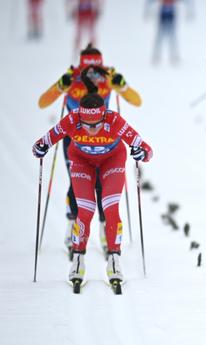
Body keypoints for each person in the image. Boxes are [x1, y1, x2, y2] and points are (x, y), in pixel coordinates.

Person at [32, 90, 153, 285]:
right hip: (81, 161)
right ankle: (78, 258)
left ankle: (114, 259)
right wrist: (41, 148)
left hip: (112, 160)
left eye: (96, 124)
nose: (92, 129)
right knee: (85, 210)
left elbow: (147, 150)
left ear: (103, 116)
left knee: (110, 207)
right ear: (80, 117)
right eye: (87, 125)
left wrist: (141, 153)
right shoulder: (71, 120)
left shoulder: (114, 120)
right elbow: (44, 141)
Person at [38, 44, 142, 258]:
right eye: (90, 70)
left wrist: (121, 86)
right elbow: (43, 103)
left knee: (105, 188)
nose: (95, 76)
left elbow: (136, 101)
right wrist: (60, 86)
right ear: (82, 67)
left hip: (104, 139)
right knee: (78, 185)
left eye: (98, 70)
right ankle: (71, 229)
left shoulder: (108, 76)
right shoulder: (72, 77)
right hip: (74, 140)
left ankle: (106, 231)